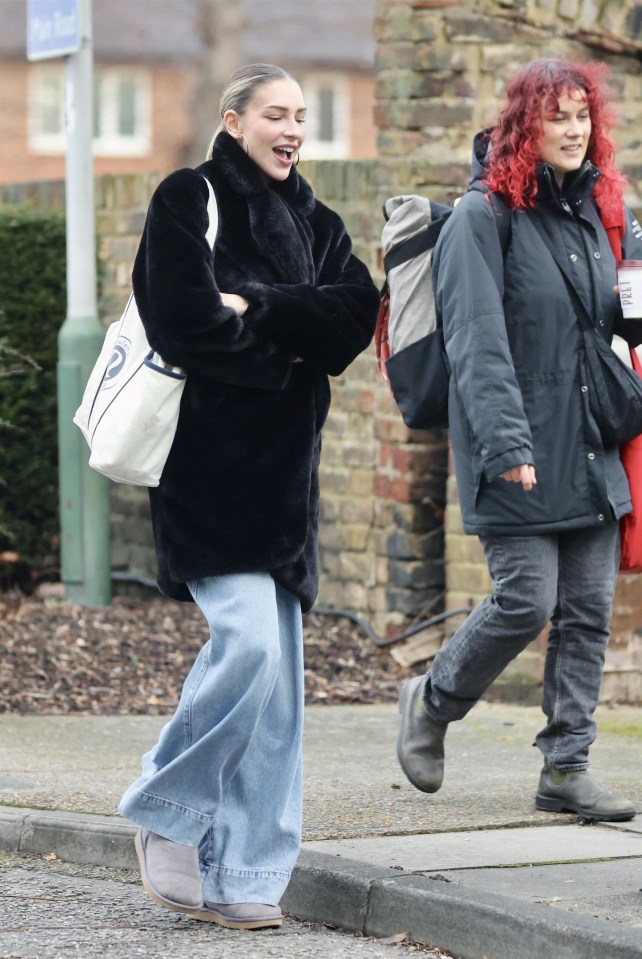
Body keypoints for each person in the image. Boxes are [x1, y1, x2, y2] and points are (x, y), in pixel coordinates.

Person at [118, 63, 378, 930]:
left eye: (302, 115)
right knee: (249, 652)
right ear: (234, 121)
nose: (293, 128)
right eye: (276, 113)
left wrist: (257, 303)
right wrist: (285, 350)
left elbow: (352, 320)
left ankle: (248, 872)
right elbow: (184, 319)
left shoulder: (317, 218)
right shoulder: (185, 198)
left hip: (287, 489)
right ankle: (168, 808)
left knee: (281, 698)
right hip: (207, 473)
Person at [396, 58, 642, 821]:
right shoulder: (483, 218)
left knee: (587, 608)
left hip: (590, 438)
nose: (575, 130)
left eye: (583, 116)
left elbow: (623, 311)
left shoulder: (599, 206)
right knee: (526, 598)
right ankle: (431, 700)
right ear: (524, 125)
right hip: (512, 440)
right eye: (558, 116)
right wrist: (506, 443)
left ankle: (566, 767)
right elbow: (477, 344)